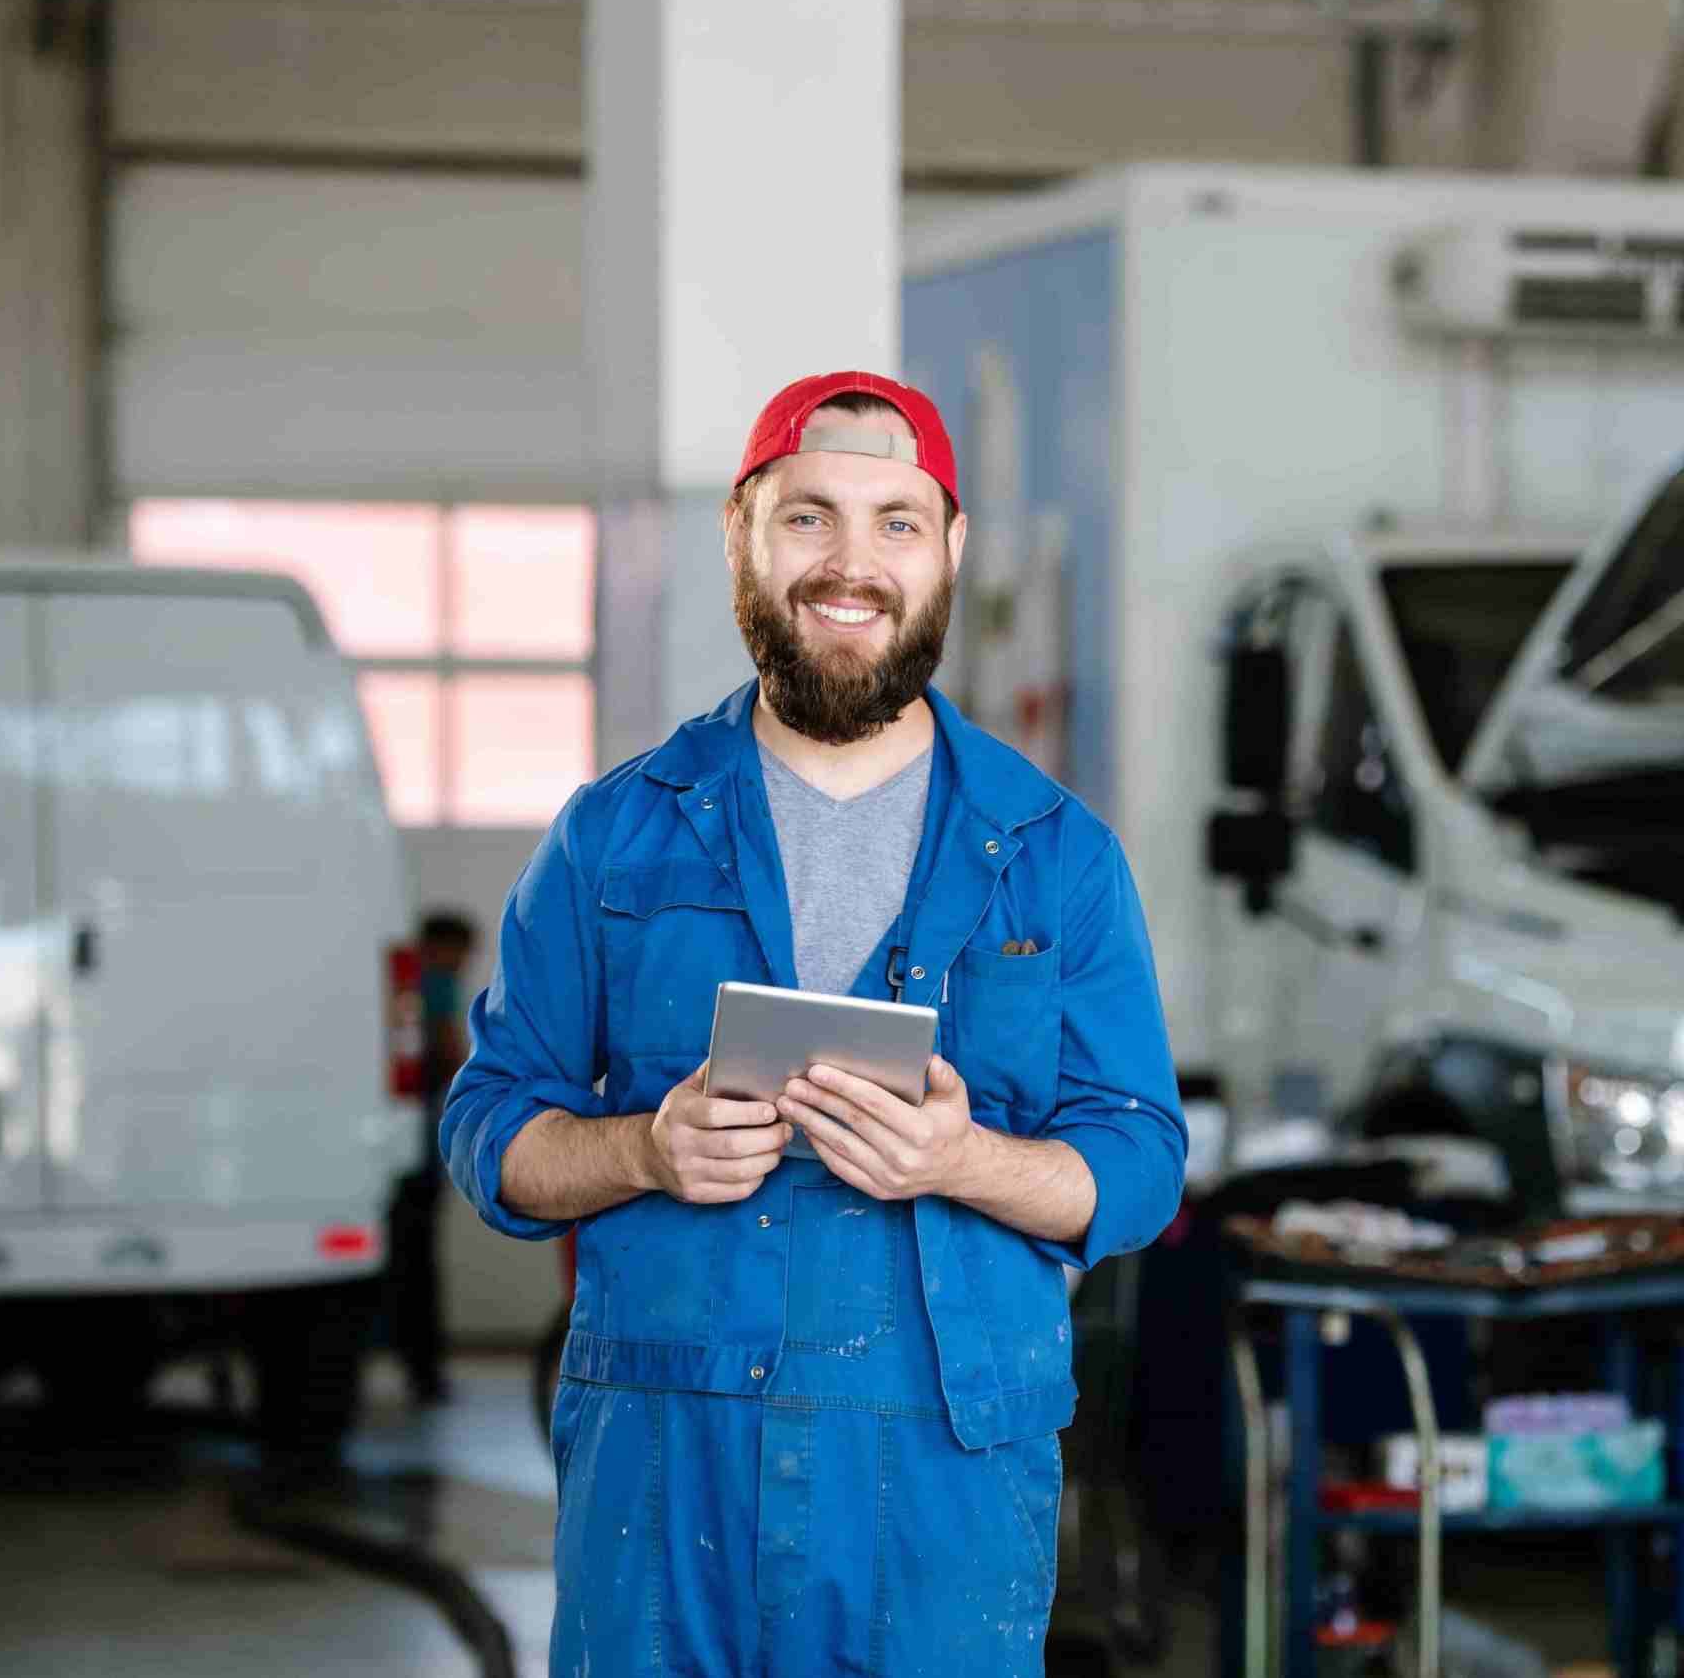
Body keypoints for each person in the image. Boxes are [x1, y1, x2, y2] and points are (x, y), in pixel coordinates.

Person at [440, 370, 1185, 1675]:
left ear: (952, 547)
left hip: (943, 1485)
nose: (854, 562)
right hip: (667, 1480)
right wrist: (642, 1151)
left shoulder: (1053, 855)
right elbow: (488, 1124)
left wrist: (965, 1161)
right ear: (742, 531)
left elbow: (1138, 1161)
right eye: (809, 517)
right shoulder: (615, 837)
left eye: (898, 521)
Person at [389, 908, 478, 1405]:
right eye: (462, 953)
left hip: (390, 1151)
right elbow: (453, 1051)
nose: (464, 964)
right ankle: (425, 1376)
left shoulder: (400, 983)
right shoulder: (435, 982)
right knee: (417, 1264)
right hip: (419, 1150)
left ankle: (418, 1370)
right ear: (442, 946)